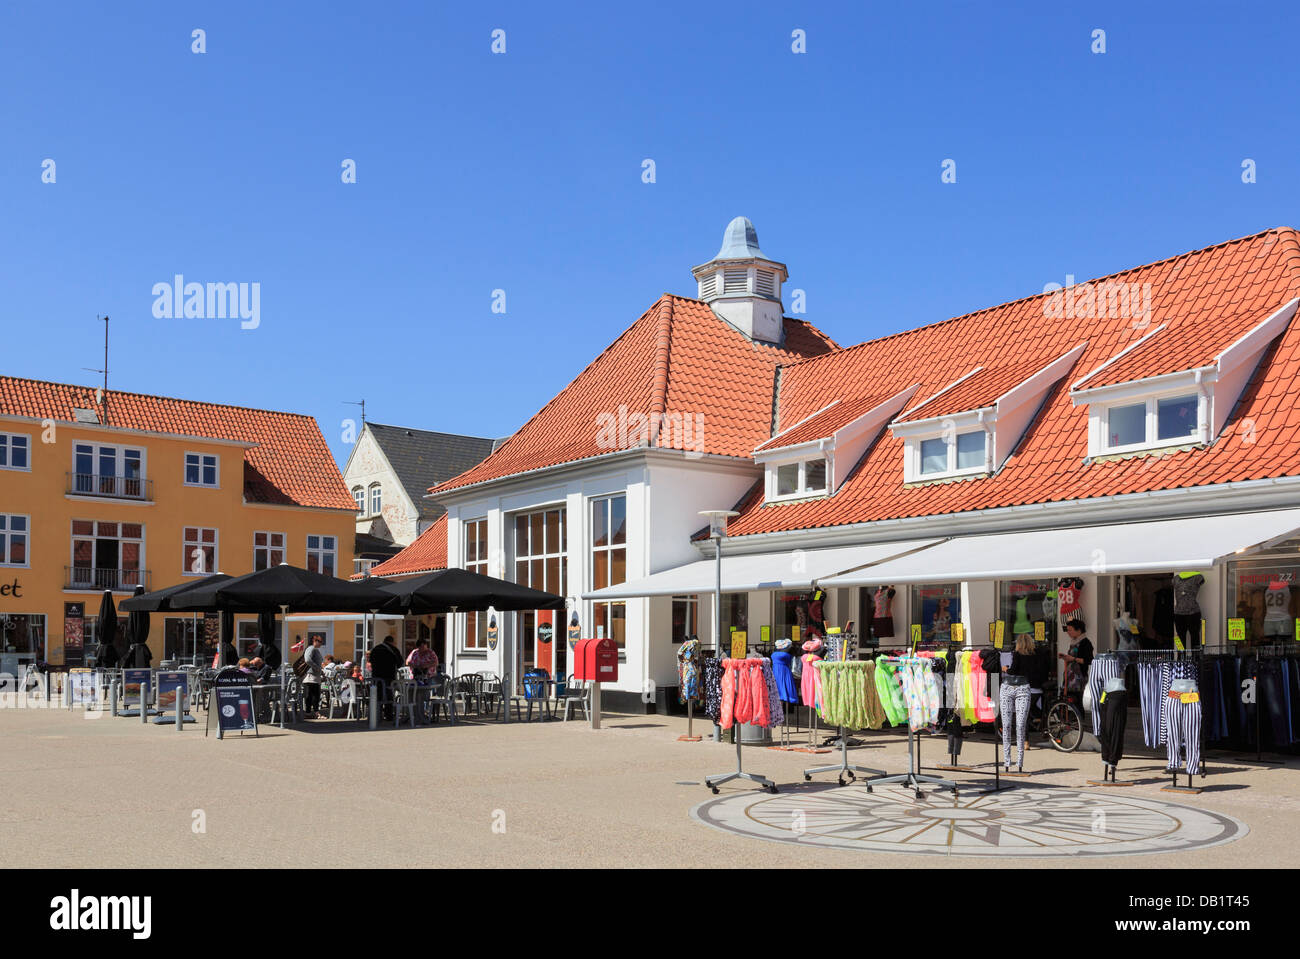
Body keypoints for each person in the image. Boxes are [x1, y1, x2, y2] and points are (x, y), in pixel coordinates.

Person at [1000, 634, 1035, 772]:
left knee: (1007, 725)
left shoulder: (1016, 654)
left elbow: (1013, 670)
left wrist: (1005, 669)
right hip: (1023, 688)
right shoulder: (1033, 656)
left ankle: (1007, 762)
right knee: (1020, 726)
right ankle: (1019, 762)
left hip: (1008, 687)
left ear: (1019, 644)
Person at [368, 634, 403, 720]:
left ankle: (376, 715)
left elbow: (370, 661)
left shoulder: (375, 649)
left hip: (376, 677)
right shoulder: (393, 650)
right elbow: (400, 663)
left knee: (377, 696)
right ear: (391, 642)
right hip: (389, 676)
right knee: (389, 695)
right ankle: (388, 715)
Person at [1059, 619, 1094, 696]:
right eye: (1067, 630)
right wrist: (1065, 657)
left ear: (1079, 630)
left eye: (1070, 630)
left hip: (1079, 679)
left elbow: (1089, 660)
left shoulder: (1086, 643)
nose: (1068, 632)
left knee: (1078, 703)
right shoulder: (1073, 642)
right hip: (1069, 677)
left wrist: (1073, 659)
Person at [301, 634, 326, 718]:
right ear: (314, 641)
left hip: (315, 676)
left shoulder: (314, 649)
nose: (321, 643)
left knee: (314, 695)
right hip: (311, 676)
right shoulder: (311, 648)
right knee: (313, 695)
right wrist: (317, 668)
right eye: (320, 641)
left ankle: (312, 713)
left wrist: (320, 671)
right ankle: (313, 713)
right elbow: (307, 660)